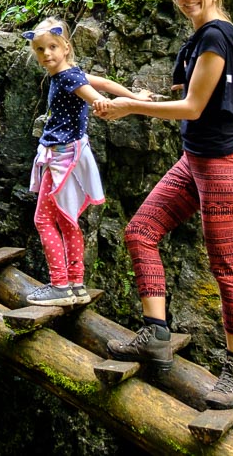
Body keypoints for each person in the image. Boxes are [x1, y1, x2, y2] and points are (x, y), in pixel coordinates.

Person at [93, 0, 233, 409]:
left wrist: (129, 108)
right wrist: (140, 96)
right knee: (140, 232)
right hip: (196, 159)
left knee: (226, 266)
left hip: (222, 164)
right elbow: (188, 97)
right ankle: (155, 335)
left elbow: (193, 107)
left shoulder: (216, 36)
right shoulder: (209, 38)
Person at [22, 17, 155, 307]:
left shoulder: (68, 77)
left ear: (66, 47)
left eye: (52, 47)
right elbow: (105, 83)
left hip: (61, 156)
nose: (46, 54)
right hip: (71, 154)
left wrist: (112, 104)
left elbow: (96, 96)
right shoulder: (72, 73)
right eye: (40, 50)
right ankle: (76, 284)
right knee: (67, 220)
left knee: (43, 219)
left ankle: (59, 284)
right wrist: (135, 97)